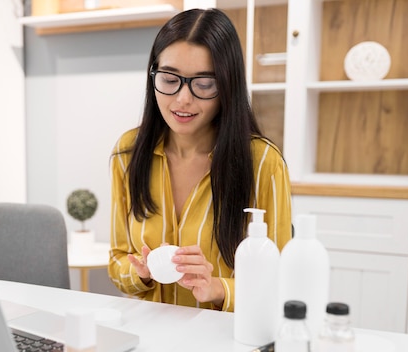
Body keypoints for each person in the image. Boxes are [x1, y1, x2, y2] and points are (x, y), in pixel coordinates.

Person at [107, 8, 292, 312]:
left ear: (227, 86)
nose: (182, 99)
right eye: (169, 79)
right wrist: (141, 274)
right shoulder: (128, 153)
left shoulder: (263, 162)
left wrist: (217, 287)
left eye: (203, 84)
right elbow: (117, 262)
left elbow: (280, 281)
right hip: (150, 333)